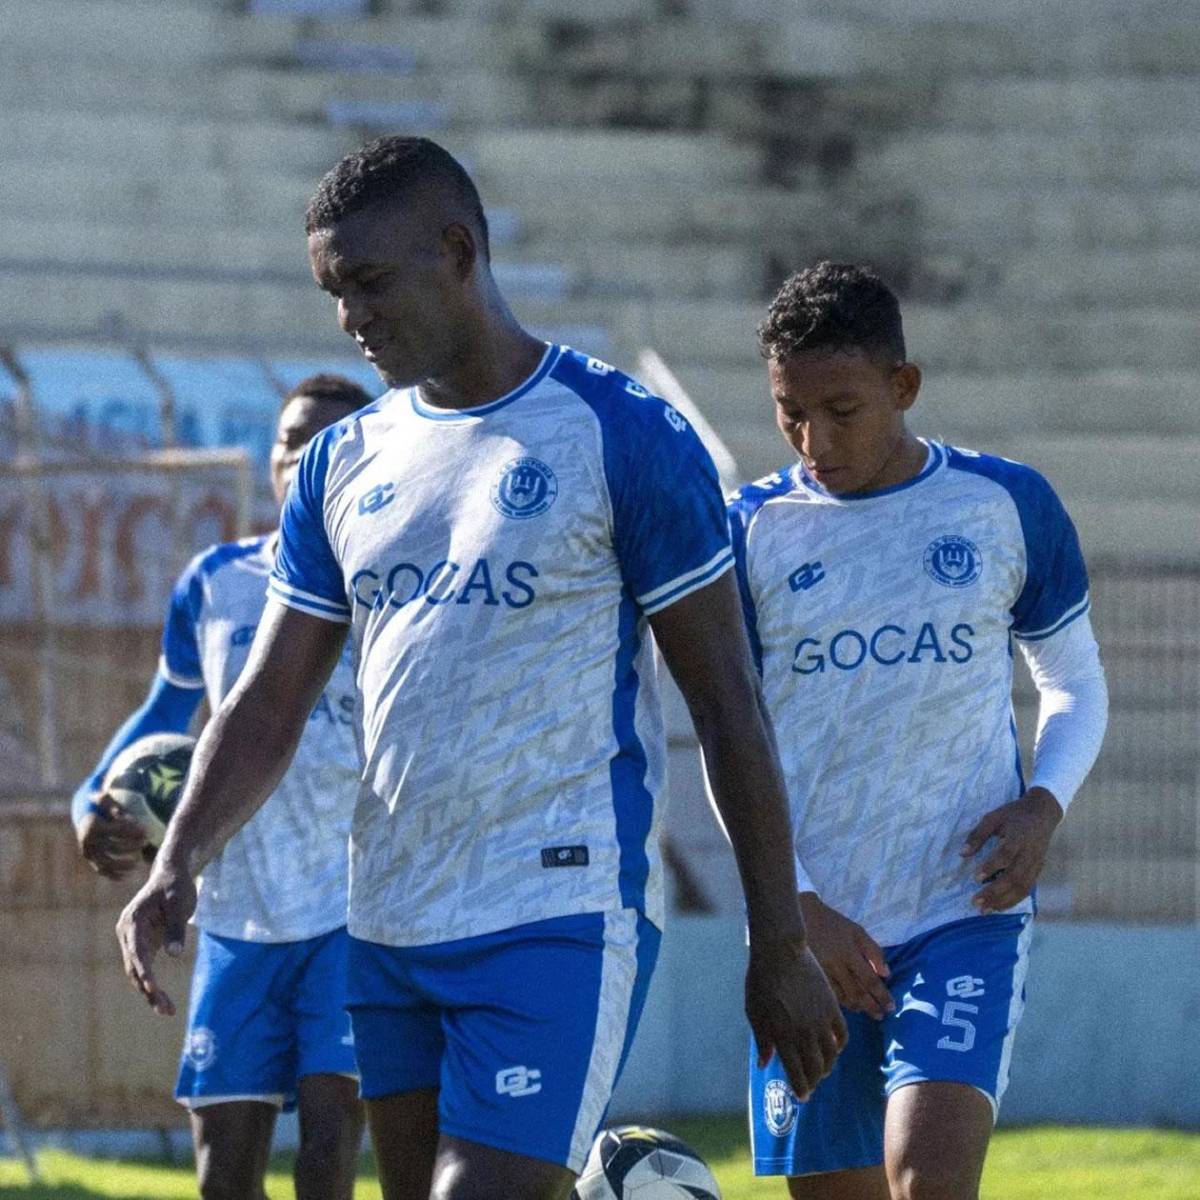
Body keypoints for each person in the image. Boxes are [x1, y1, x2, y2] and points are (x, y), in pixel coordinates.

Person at [115, 135, 846, 1200]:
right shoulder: (343, 461)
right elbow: (266, 703)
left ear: (458, 252)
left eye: (368, 282)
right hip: (389, 918)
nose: (349, 316)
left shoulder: (624, 435)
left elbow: (728, 707)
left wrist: (777, 937)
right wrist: (178, 858)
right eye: (332, 291)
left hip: (552, 911)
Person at [730, 261, 1109, 1200]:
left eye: (842, 409)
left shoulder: (1002, 504)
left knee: (925, 1180)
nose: (814, 438)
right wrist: (797, 910)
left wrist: (1042, 806)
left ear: (904, 388)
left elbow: (1074, 684)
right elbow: (726, 744)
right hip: (815, 927)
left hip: (961, 912)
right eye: (790, 412)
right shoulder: (747, 531)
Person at [76, 374, 373, 1200]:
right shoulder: (215, 580)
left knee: (328, 1144)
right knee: (223, 1172)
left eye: (325, 443)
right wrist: (91, 806)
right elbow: (160, 714)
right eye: (288, 444)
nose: (301, 459)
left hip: (352, 907)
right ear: (269, 462)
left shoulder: (394, 585)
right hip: (236, 911)